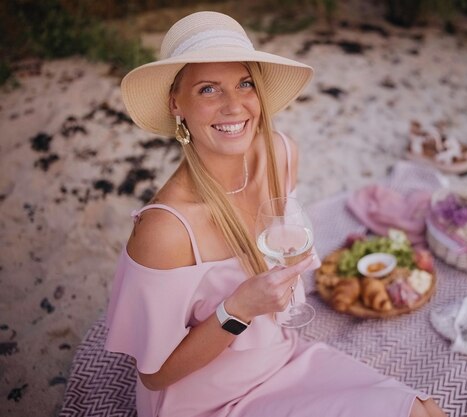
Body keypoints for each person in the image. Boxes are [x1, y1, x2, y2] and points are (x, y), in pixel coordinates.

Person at [104, 11, 447, 417]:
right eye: (209, 89)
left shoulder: (280, 154)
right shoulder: (165, 229)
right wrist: (237, 310)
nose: (234, 106)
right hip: (204, 400)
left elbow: (284, 247)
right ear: (176, 103)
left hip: (283, 358)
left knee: (422, 411)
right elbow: (155, 375)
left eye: (245, 83)